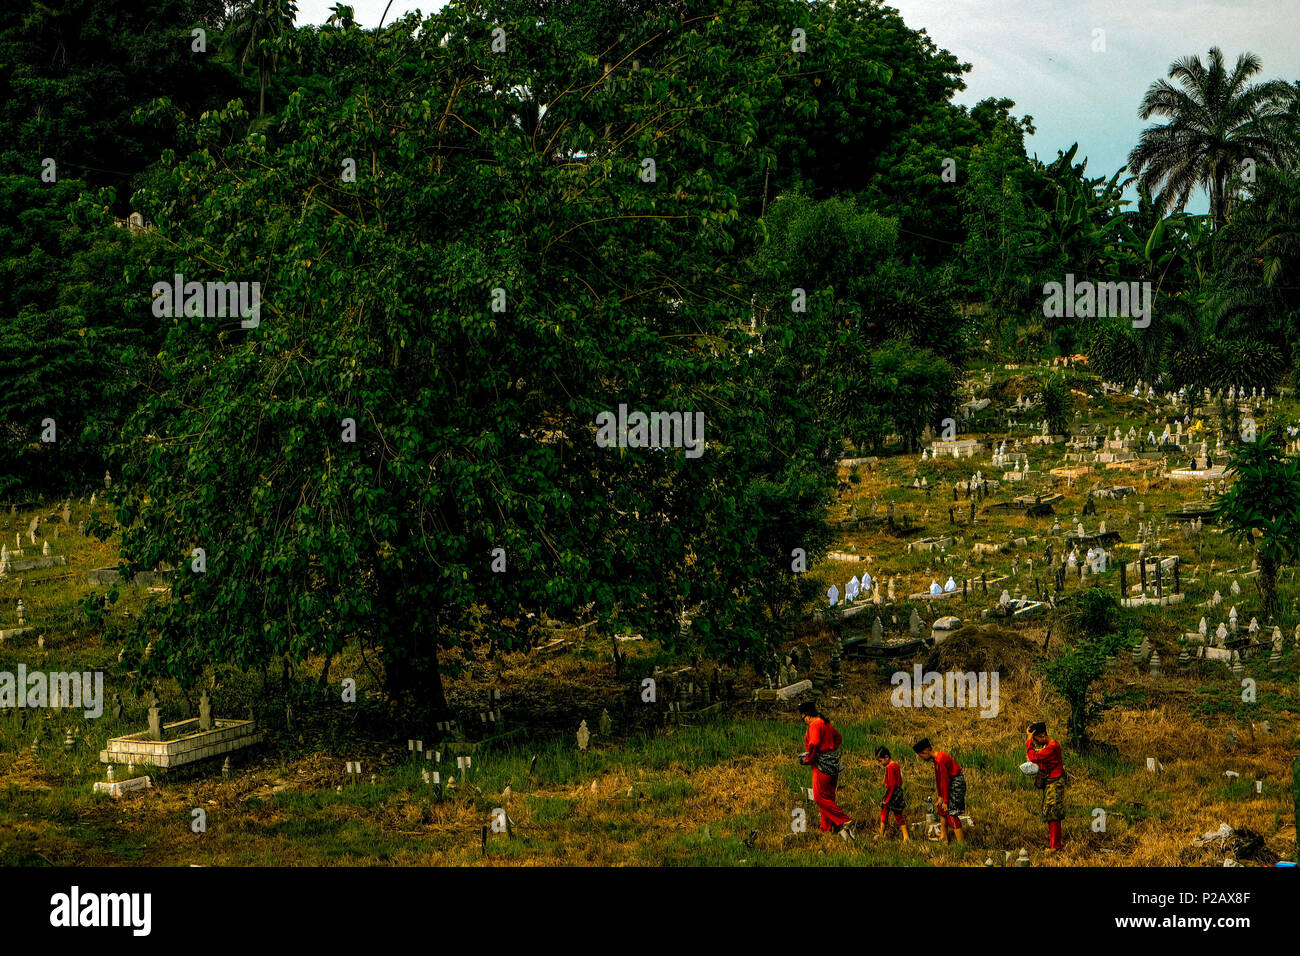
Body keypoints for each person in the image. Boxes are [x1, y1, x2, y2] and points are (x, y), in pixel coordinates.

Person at [799, 702, 854, 839]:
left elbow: (814, 744)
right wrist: (830, 750)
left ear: (807, 715)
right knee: (828, 796)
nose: (804, 721)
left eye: (803, 717)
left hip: (821, 765)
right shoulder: (826, 723)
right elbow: (838, 738)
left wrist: (809, 759)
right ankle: (826, 827)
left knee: (819, 797)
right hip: (833, 762)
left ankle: (844, 819)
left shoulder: (815, 725)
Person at [912, 738, 965, 843]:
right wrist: (940, 796)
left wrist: (945, 801)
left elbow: (945, 781)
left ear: (926, 751)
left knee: (951, 813)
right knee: (941, 809)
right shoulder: (936, 760)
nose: (921, 758)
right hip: (948, 784)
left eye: (921, 755)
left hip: (955, 783)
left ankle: (961, 843)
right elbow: (939, 779)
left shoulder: (940, 760)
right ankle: (944, 838)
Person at [1026, 722, 1066, 851]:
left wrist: (1028, 742)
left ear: (1043, 735)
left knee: (1053, 813)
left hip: (1055, 782)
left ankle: (1055, 846)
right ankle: (1053, 843)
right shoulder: (1049, 746)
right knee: (1050, 812)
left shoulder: (1052, 747)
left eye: (1036, 739)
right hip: (1051, 781)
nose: (1036, 743)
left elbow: (1033, 757)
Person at [875, 746, 910, 841]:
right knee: (887, 812)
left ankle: (905, 836)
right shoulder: (896, 765)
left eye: (880, 760)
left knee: (894, 813)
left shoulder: (890, 767)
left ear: (886, 757)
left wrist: (887, 798)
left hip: (892, 793)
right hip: (897, 791)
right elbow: (899, 781)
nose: (880, 763)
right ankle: (882, 834)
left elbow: (892, 784)